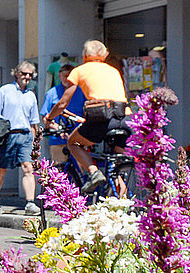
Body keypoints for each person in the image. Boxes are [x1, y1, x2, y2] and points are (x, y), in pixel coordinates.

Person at [45, 39, 129, 195]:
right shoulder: (113, 70)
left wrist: (49, 119)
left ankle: (94, 173)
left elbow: (63, 103)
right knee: (115, 168)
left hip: (102, 118)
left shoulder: (80, 70)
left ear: (85, 55)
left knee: (73, 142)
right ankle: (125, 204)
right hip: (124, 118)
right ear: (104, 55)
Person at [0, 60, 41, 216]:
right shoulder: (5, 90)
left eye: (30, 74)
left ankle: (30, 203)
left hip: (26, 135)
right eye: (24, 73)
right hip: (8, 136)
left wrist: (35, 142)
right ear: (17, 73)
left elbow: (34, 121)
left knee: (28, 168)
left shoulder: (31, 95)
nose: (27, 77)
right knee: (2, 170)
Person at [39, 63, 86, 166]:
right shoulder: (52, 93)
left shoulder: (81, 92)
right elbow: (45, 118)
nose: (67, 79)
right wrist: (57, 128)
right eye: (65, 76)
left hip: (78, 138)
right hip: (58, 139)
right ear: (60, 76)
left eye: (70, 76)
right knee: (59, 170)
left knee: (82, 170)